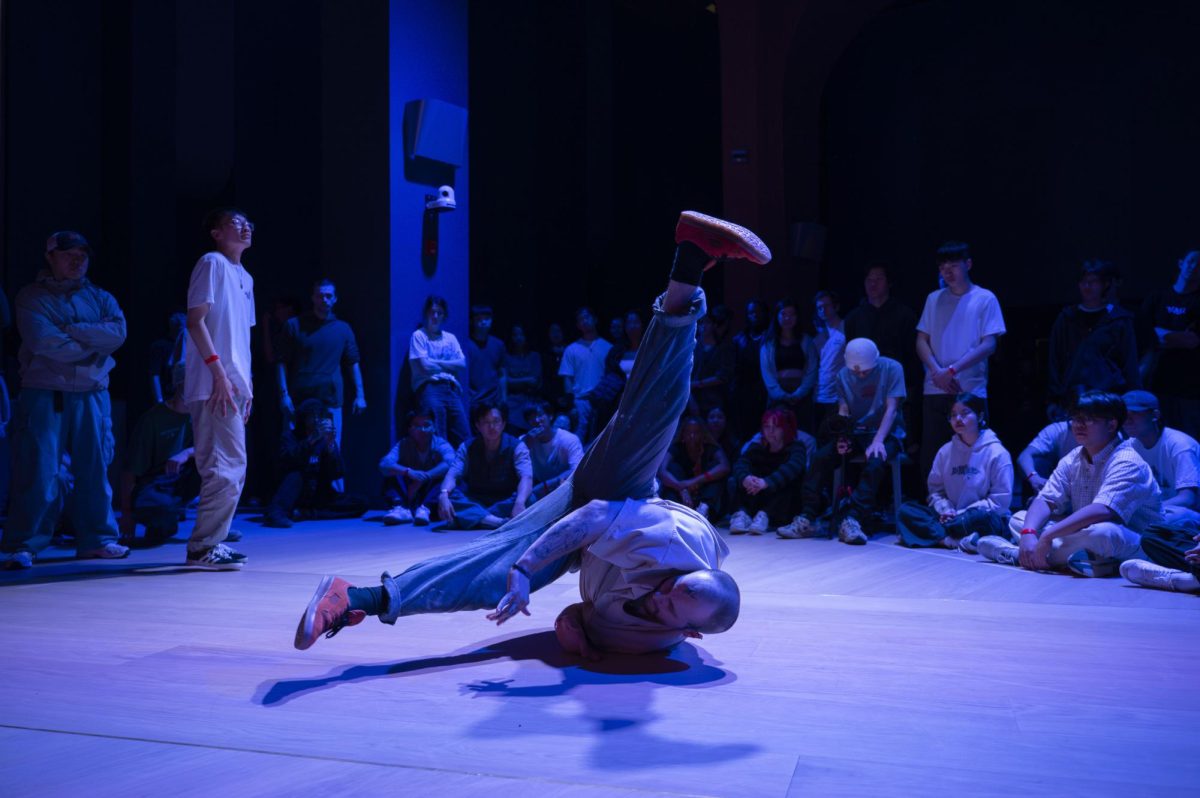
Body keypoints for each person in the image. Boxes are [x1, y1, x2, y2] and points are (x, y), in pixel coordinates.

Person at [293, 210, 765, 656]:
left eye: (669, 606)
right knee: (655, 411)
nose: (661, 595)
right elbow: (597, 512)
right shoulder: (675, 545)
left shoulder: (650, 639)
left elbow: (575, 618)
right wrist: (525, 568)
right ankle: (691, 258)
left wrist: (572, 635)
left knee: (486, 572)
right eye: (673, 587)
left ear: (689, 631)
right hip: (619, 499)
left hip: (586, 541)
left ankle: (355, 596)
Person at [2, 231, 128, 568]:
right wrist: (91, 341)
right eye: (68, 254)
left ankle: (98, 539)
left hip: (92, 394)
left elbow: (117, 333)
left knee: (95, 466)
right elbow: (44, 342)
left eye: (82, 255)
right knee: (39, 469)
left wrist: (72, 330)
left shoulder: (101, 297)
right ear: (51, 256)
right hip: (45, 391)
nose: (77, 261)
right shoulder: (31, 297)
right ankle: (24, 543)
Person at [976, 391, 1163, 577]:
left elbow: (1103, 511)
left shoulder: (1127, 460)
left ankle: (1019, 555)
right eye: (1075, 418)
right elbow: (1046, 499)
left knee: (1104, 533)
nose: (1078, 424)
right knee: (1020, 518)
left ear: (1112, 424)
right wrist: (1028, 532)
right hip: (1084, 535)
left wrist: (1048, 537)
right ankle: (1085, 561)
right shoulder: (1074, 456)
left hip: (1136, 542)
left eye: (1088, 419)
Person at [181, 209, 255, 569]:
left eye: (248, 223)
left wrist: (246, 386)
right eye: (235, 222)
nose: (245, 226)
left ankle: (210, 542)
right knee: (224, 465)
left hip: (231, 384)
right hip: (213, 384)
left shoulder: (245, 277)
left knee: (230, 465)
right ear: (215, 232)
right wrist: (219, 375)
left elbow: (241, 338)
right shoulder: (211, 263)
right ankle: (203, 546)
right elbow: (194, 322)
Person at [782, 338, 906, 545]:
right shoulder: (842, 376)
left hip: (886, 433)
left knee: (875, 460)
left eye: (865, 371)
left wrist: (878, 440)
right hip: (856, 431)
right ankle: (808, 517)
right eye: (856, 372)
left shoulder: (892, 368)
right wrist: (843, 438)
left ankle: (853, 519)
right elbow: (844, 411)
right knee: (822, 457)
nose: (860, 375)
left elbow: (892, 408)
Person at [915, 241, 1006, 482]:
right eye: (943, 266)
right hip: (935, 388)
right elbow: (921, 340)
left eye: (953, 265)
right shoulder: (933, 299)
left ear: (968, 264)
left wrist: (952, 370)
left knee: (972, 454)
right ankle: (935, 508)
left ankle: (972, 507)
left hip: (969, 388)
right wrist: (937, 372)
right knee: (932, 453)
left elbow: (989, 344)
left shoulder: (985, 298)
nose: (947, 271)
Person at [895, 393, 1013, 549]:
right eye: (953, 415)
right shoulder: (945, 452)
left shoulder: (997, 453)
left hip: (978, 518)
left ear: (980, 416)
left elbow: (1000, 502)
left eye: (965, 413)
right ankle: (952, 541)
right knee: (906, 511)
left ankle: (941, 536)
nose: (958, 419)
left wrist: (962, 513)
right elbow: (936, 492)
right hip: (952, 518)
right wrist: (946, 510)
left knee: (983, 519)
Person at [1046, 260, 1139, 420]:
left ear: (1105, 284)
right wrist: (1053, 399)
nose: (1087, 286)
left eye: (1093, 282)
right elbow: (1054, 360)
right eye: (1083, 282)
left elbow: (1130, 362)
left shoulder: (1118, 319)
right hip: (1072, 398)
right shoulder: (1067, 317)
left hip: (1109, 397)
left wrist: (1132, 399)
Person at [277, 279, 366, 445]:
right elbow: (282, 362)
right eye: (320, 296)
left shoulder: (343, 329)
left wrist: (360, 395)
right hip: (299, 400)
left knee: (331, 452)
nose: (324, 299)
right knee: (294, 450)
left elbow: (353, 363)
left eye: (328, 296)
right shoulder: (294, 325)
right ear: (313, 298)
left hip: (330, 401)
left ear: (334, 299)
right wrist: (284, 395)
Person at [261, 399, 368, 527]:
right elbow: (286, 462)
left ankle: (306, 513)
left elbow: (338, 473)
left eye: (319, 415)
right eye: (312, 415)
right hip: (296, 492)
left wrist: (330, 446)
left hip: (318, 492)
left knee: (361, 503)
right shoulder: (290, 437)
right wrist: (311, 440)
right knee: (296, 475)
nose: (317, 419)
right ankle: (277, 514)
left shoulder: (325, 439)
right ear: (303, 418)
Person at [119, 390, 199, 547]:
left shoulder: (202, 414)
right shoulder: (153, 419)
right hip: (157, 482)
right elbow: (130, 471)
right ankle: (159, 522)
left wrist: (187, 453)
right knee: (161, 515)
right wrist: (126, 513)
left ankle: (214, 528)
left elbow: (214, 448)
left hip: (186, 476)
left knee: (220, 467)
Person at [437, 402, 534, 530]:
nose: (492, 427)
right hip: (477, 501)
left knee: (529, 498)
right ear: (478, 425)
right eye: (486, 422)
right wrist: (443, 494)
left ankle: (474, 519)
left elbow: (526, 477)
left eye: (496, 421)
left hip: (505, 501)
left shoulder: (517, 446)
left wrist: (520, 502)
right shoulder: (467, 447)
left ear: (504, 423)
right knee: (450, 497)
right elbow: (452, 474)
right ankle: (498, 523)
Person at [1143, 250, 1200, 440]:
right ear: (1181, 262)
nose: (1195, 267)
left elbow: (1192, 341)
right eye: (1191, 261)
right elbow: (1144, 334)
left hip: (1190, 390)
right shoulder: (1157, 298)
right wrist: (1176, 337)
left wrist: (1160, 333)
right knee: (1156, 440)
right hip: (1157, 383)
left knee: (1187, 442)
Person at [1121, 390, 1200, 518]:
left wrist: (1144, 512)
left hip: (1189, 515)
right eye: (1123, 414)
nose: (1127, 420)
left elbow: (1188, 499)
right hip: (1157, 512)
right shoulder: (1129, 446)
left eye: (1134, 413)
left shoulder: (1180, 445)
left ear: (1155, 415)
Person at [729, 408, 806, 535]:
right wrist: (746, 478)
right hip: (759, 497)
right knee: (737, 480)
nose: (770, 431)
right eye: (767, 426)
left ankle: (765, 515)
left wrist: (766, 482)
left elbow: (792, 468)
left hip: (783, 505)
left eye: (776, 427)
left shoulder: (796, 448)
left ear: (785, 428)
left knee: (789, 484)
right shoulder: (757, 447)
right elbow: (740, 463)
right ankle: (742, 513)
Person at [409, 295, 470, 446]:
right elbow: (425, 367)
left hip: (452, 389)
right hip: (430, 388)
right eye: (432, 312)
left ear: (444, 315)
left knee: (464, 436)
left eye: (439, 313)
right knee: (437, 437)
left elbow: (462, 364)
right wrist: (449, 365)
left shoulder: (450, 338)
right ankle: (440, 470)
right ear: (426, 313)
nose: (435, 316)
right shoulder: (419, 336)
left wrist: (435, 361)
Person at [379, 408, 456, 526]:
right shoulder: (403, 444)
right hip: (408, 491)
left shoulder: (440, 443)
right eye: (416, 426)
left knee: (446, 477)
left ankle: (425, 509)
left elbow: (452, 462)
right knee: (390, 472)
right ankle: (401, 508)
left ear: (434, 427)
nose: (422, 430)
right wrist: (408, 472)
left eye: (426, 425)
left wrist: (425, 477)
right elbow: (384, 464)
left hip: (429, 493)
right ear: (409, 429)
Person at [658, 416, 731, 521]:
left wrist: (693, 481)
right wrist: (681, 488)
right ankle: (674, 513)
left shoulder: (709, 447)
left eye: (696, 432)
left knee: (716, 469)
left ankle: (704, 510)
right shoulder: (677, 448)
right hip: (682, 497)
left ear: (702, 434)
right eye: (688, 432)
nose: (692, 436)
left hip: (705, 499)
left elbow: (725, 466)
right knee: (673, 468)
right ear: (683, 434)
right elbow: (661, 470)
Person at [559, 307, 612, 443]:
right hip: (580, 401)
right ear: (577, 325)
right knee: (579, 438)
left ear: (595, 319)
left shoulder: (608, 347)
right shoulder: (571, 349)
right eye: (581, 319)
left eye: (587, 317)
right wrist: (571, 404)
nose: (584, 321)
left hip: (602, 400)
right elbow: (567, 378)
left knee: (601, 439)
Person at [759, 298, 817, 421]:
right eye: (784, 314)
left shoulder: (806, 341)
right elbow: (767, 373)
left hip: (802, 394)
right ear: (777, 316)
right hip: (778, 396)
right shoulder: (769, 345)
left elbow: (812, 369)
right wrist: (781, 395)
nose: (787, 318)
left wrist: (799, 393)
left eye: (792, 314)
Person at [521, 400, 584, 500]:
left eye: (540, 415)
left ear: (550, 416)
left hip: (566, 489)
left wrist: (546, 485)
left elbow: (578, 470)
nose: (537, 421)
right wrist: (525, 447)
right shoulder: (525, 441)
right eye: (531, 418)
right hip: (538, 493)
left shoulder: (568, 440)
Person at [732, 298, 770, 439]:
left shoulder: (771, 338)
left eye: (758, 312)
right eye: (751, 312)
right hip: (744, 392)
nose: (755, 315)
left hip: (765, 389)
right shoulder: (740, 339)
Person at [687, 313, 734, 417]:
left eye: (706, 322)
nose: (703, 326)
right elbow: (684, 377)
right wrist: (691, 400)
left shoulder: (723, 348)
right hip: (694, 399)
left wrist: (697, 384)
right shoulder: (691, 348)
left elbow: (723, 376)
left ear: (713, 325)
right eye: (700, 323)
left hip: (716, 400)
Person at [811, 290, 847, 428]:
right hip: (819, 395)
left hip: (839, 397)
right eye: (819, 307)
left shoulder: (846, 329)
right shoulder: (818, 338)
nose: (822, 310)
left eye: (826, 306)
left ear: (836, 307)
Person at [501, 324, 542, 434]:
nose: (518, 338)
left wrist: (518, 381)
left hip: (530, 401)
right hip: (513, 403)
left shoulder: (534, 356)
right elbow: (506, 381)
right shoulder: (506, 357)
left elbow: (535, 381)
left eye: (521, 334)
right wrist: (526, 380)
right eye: (515, 335)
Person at [1016, 420, 1075, 496]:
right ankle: (1034, 501)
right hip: (1058, 481)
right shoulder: (1057, 430)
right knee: (1037, 463)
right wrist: (1034, 478)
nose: (1080, 425)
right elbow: (1024, 456)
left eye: (1088, 419)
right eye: (1077, 418)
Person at [465, 304, 506, 407]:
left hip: (494, 401)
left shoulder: (498, 344)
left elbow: (502, 375)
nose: (483, 322)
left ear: (491, 320)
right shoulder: (466, 345)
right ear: (473, 321)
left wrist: (504, 400)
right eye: (479, 319)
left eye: (486, 319)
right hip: (473, 401)